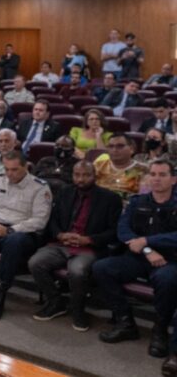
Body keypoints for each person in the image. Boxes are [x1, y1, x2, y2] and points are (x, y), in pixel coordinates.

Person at [92, 159, 177, 375]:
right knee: (102, 268)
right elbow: (123, 231)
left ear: (173, 179)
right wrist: (147, 250)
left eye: (163, 174)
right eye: (154, 174)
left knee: (167, 280)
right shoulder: (138, 201)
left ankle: (160, 330)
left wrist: (149, 242)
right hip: (140, 258)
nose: (157, 178)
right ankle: (125, 322)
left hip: (169, 260)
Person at [28, 161, 122, 331]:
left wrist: (89, 239)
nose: (81, 179)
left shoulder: (110, 199)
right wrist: (60, 235)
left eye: (86, 175)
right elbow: (52, 220)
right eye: (77, 175)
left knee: (77, 271)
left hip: (89, 247)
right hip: (61, 244)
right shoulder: (65, 192)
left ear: (95, 176)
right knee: (35, 262)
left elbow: (114, 232)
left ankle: (78, 309)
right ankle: (56, 302)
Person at [0, 151, 53, 321]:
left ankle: (0, 293)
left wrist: (10, 230)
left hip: (24, 234)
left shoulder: (39, 187)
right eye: (7, 169)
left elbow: (40, 221)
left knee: (14, 241)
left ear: (26, 167)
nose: (10, 174)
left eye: (15, 170)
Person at [93, 133, 147, 201]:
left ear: (131, 149)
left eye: (120, 146)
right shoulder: (98, 166)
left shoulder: (143, 170)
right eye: (111, 146)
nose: (114, 150)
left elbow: (144, 198)